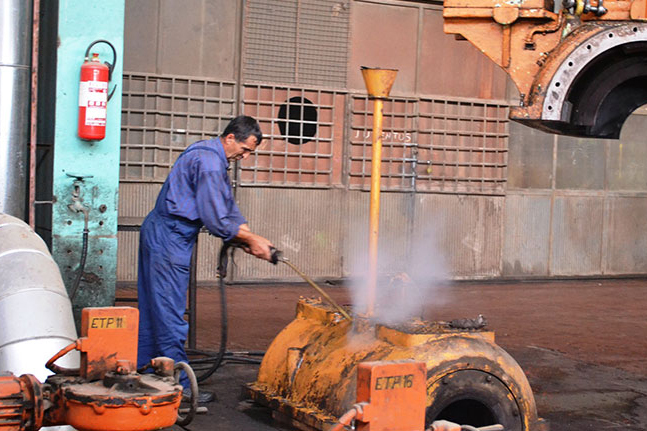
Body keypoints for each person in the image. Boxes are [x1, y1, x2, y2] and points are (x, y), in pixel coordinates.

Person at [136, 116, 274, 403]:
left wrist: (246, 235)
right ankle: (178, 384)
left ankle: (144, 371)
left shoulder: (209, 155)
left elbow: (226, 207)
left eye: (250, 153)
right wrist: (250, 239)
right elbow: (215, 217)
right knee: (168, 311)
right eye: (245, 149)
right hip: (169, 235)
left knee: (154, 307)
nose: (245, 157)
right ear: (230, 138)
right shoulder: (210, 162)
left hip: (166, 232)